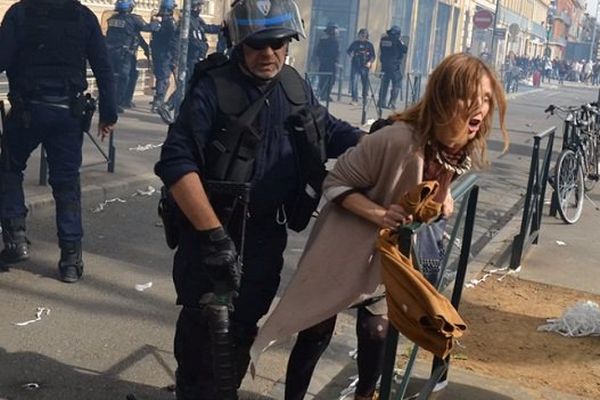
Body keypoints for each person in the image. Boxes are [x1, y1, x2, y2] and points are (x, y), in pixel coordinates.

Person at [249, 53, 508, 400]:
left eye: (488, 99)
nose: (480, 109)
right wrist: (379, 214)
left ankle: (366, 395)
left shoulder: (458, 145)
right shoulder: (398, 140)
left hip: (386, 257)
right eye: (471, 98)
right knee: (316, 329)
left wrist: (443, 200)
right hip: (344, 247)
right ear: (445, 97)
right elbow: (335, 183)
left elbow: (428, 190)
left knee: (376, 331)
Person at [153, 0, 363, 398]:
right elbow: (177, 164)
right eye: (258, 45)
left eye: (278, 43)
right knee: (203, 334)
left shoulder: (293, 84)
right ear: (239, 43)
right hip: (212, 233)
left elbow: (328, 130)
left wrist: (379, 140)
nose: (269, 54)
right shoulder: (213, 87)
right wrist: (214, 238)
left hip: (266, 233)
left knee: (242, 327)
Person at [0, 0, 118, 282]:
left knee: (8, 168)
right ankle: (70, 260)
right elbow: (104, 68)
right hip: (67, 114)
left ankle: (15, 237)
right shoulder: (83, 16)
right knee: (66, 183)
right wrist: (109, 114)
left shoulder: (20, 12)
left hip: (27, 111)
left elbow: (1, 60)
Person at [105, 0, 159, 112]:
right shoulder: (133, 19)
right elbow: (149, 28)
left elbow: (136, 36)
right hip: (125, 55)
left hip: (112, 53)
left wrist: (145, 49)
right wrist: (157, 23)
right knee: (124, 77)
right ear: (130, 7)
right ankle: (118, 102)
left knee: (128, 75)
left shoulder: (112, 19)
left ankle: (124, 100)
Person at [150, 0, 178, 112]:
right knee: (164, 79)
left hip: (156, 53)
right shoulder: (171, 23)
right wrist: (175, 58)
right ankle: (158, 102)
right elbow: (174, 41)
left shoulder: (156, 20)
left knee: (160, 77)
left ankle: (157, 100)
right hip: (166, 54)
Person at [377, 25, 407, 109]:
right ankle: (392, 103)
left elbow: (381, 50)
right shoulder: (397, 40)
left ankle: (381, 102)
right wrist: (401, 41)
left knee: (384, 84)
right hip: (394, 66)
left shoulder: (383, 40)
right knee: (397, 83)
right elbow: (405, 49)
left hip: (384, 65)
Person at [347, 28, 375, 105]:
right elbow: (349, 51)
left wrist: (370, 62)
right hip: (355, 65)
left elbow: (373, 56)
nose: (362, 37)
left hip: (365, 66)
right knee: (354, 82)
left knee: (365, 83)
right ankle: (354, 99)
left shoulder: (369, 45)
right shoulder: (355, 43)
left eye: (364, 35)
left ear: (366, 36)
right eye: (361, 35)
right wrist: (351, 54)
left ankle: (364, 98)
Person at [122, 32, 150, 109]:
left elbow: (144, 45)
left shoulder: (135, 34)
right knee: (126, 78)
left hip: (128, 58)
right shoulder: (131, 32)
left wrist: (148, 55)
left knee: (131, 76)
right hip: (126, 57)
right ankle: (123, 101)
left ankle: (126, 100)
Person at [315, 21, 340, 102]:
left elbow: (318, 52)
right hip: (327, 63)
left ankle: (324, 94)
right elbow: (318, 52)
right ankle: (324, 94)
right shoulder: (329, 41)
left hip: (328, 63)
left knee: (328, 79)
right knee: (327, 79)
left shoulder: (332, 41)